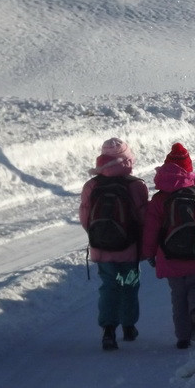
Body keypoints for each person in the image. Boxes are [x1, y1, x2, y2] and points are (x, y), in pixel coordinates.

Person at [142, 143, 195, 349]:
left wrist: (150, 253)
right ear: (189, 170)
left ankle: (182, 337)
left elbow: (150, 230)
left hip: (170, 257)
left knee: (178, 296)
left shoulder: (159, 199)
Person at [79, 138, 149, 351]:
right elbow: (144, 218)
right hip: (129, 248)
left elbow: (85, 217)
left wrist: (99, 236)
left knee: (108, 287)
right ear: (127, 160)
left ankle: (108, 329)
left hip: (102, 248)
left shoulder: (92, 185)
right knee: (129, 286)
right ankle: (129, 327)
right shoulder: (136, 186)